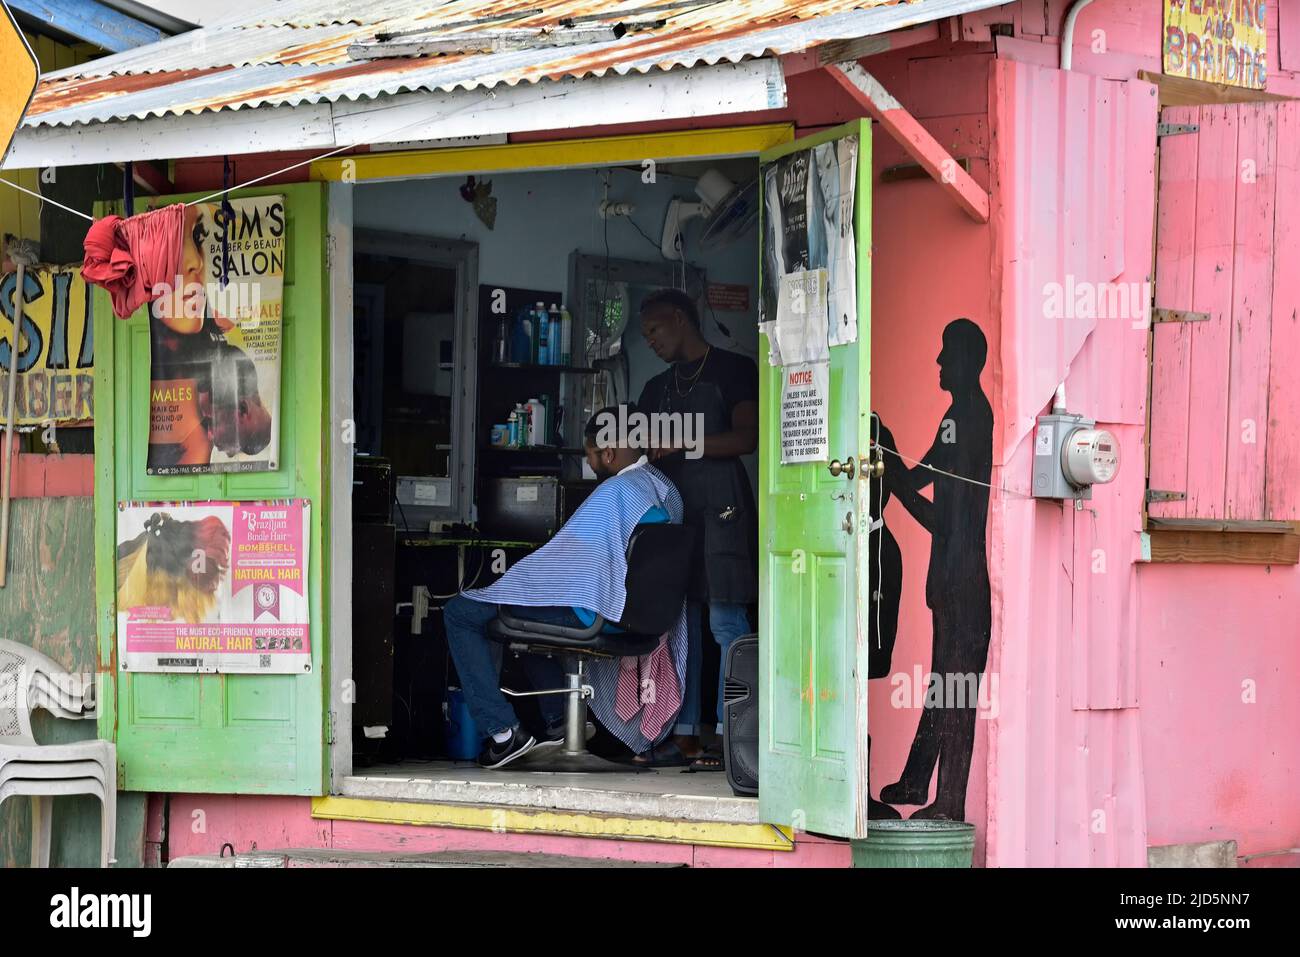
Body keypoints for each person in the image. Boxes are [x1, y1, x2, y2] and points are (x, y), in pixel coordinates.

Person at [442, 404, 685, 769]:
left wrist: (514, 584)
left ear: (607, 452)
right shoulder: (665, 491)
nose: (592, 467)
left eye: (591, 457)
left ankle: (503, 734)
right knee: (530, 616)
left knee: (462, 612)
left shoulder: (614, 494)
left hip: (597, 615)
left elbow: (560, 570)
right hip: (638, 619)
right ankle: (559, 722)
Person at [635, 288, 758, 770]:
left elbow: (747, 438)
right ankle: (682, 732)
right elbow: (636, 444)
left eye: (655, 330)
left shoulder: (733, 370)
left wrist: (683, 441)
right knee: (679, 624)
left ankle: (737, 733)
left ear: (681, 319)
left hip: (723, 509)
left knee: (725, 622)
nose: (650, 341)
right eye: (645, 335)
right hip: (674, 511)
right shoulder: (655, 388)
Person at [879, 318, 993, 820]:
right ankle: (915, 781)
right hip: (951, 578)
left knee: (956, 693)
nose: (939, 364)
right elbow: (922, 473)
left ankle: (948, 803)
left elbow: (940, 519)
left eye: (948, 355)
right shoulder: (957, 414)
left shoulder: (970, 418)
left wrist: (889, 467)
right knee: (944, 685)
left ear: (968, 362)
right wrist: (888, 457)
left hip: (962, 576)